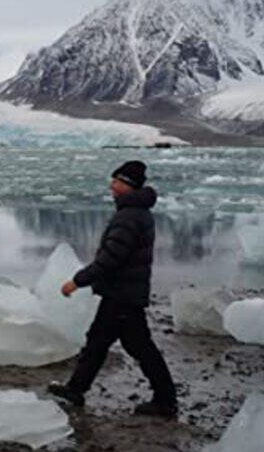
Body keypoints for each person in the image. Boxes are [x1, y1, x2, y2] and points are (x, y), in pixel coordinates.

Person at [47, 160, 178, 418]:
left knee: (137, 346)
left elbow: (111, 258)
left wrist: (77, 281)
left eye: (117, 181)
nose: (112, 185)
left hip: (122, 294)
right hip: (123, 292)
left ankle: (165, 399)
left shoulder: (128, 217)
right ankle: (76, 389)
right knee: (99, 341)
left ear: (127, 186)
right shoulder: (135, 212)